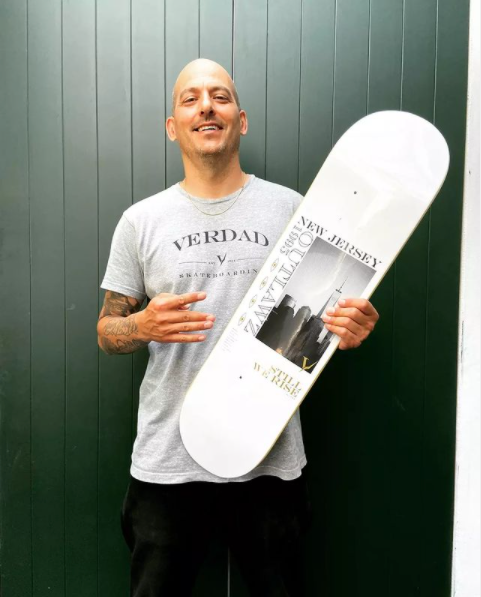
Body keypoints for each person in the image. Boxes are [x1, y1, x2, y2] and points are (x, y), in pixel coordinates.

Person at [97, 59, 379, 597]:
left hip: (269, 459)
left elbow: (327, 309)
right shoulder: (141, 221)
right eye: (190, 99)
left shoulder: (292, 209)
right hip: (169, 462)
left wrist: (348, 327)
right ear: (172, 126)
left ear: (241, 120)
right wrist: (143, 324)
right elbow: (107, 331)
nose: (206, 106)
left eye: (220, 96)